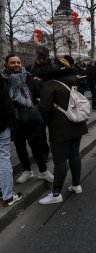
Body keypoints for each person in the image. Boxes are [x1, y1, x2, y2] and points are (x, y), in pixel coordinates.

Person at [38, 56, 88, 204]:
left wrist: (38, 104)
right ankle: (76, 185)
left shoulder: (50, 84)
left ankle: (56, 193)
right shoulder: (72, 79)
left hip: (60, 128)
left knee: (60, 161)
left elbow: (45, 108)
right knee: (74, 156)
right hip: (77, 123)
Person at [3, 54, 54, 184]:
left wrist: (35, 107)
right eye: (12, 62)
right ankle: (27, 171)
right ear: (6, 64)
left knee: (36, 146)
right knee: (20, 146)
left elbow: (38, 95)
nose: (16, 65)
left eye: (18, 62)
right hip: (14, 118)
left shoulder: (28, 77)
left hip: (30, 117)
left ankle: (43, 171)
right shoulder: (3, 79)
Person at [0, 71, 22, 207]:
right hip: (1, 124)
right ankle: (8, 196)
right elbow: (7, 104)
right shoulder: (1, 80)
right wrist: (12, 121)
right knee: (3, 158)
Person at [26, 45, 51, 161]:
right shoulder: (30, 68)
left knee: (53, 126)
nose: (41, 59)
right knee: (40, 129)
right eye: (39, 57)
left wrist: (42, 81)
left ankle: (54, 146)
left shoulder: (52, 67)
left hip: (51, 101)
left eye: (44, 57)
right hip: (36, 102)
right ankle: (44, 150)